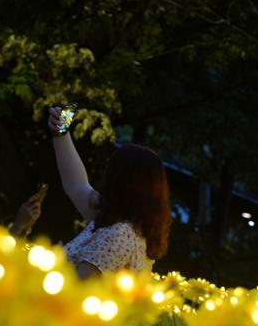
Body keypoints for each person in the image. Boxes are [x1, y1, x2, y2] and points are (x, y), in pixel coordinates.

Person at [47, 106, 171, 280]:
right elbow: (76, 183)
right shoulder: (127, 228)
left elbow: (76, 291)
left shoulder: (117, 235)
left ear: (119, 179)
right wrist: (61, 132)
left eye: (110, 167)